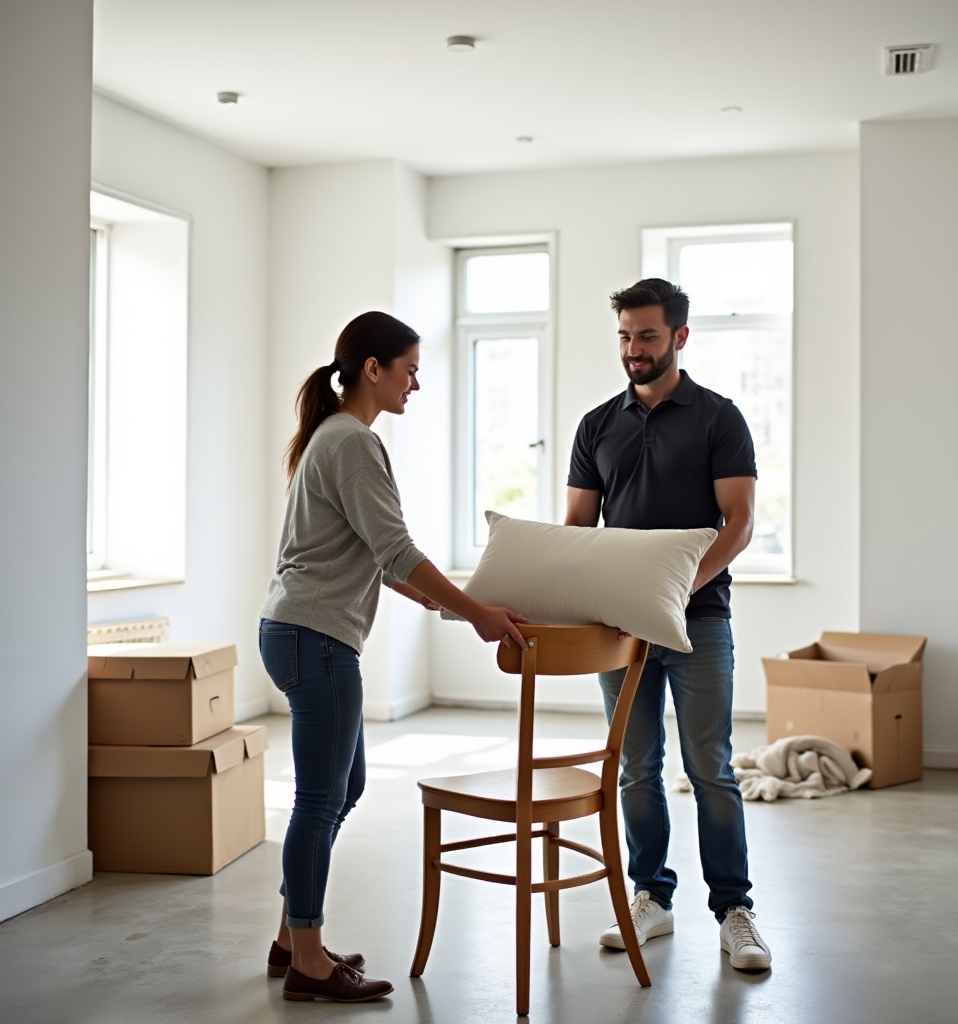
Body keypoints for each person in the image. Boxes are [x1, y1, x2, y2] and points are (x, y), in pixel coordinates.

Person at [259, 311, 528, 1004]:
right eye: (409, 369)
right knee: (320, 798)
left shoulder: (338, 436)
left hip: (301, 632)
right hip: (315, 639)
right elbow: (399, 551)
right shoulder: (353, 442)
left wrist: (449, 608)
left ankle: (295, 938)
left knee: (340, 791)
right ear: (372, 369)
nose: (417, 382)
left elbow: (381, 564)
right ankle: (309, 962)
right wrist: (478, 613)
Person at [564, 279, 772, 971]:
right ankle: (649, 898)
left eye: (647, 336)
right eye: (625, 336)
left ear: (679, 337)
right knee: (633, 768)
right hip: (619, 630)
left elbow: (738, 524)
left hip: (699, 621)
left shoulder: (719, 418)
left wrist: (675, 589)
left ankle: (734, 910)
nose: (633, 350)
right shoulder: (596, 425)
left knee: (709, 766)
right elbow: (577, 529)